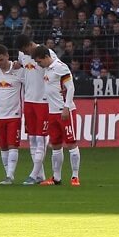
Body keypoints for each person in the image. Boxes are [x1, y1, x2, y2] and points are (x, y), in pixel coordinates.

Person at [34, 46, 81, 186]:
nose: (38, 64)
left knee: (71, 143)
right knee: (55, 145)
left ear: (46, 57)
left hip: (64, 111)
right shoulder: (47, 69)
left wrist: (67, 107)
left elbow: (71, 87)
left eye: (39, 61)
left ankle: (75, 176)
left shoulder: (61, 67)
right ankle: (56, 177)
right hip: (52, 112)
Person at [16, 35, 51, 184]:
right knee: (32, 139)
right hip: (28, 101)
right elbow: (22, 71)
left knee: (40, 139)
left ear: (31, 45)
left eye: (26, 50)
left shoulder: (46, 53)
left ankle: (33, 174)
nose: (25, 53)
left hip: (43, 102)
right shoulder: (22, 56)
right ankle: (40, 175)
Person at [0, 44, 23, 185]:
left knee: (13, 145)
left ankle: (10, 175)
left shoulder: (19, 71)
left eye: (1, 60)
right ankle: (7, 174)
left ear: (7, 56)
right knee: (3, 146)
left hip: (14, 114)